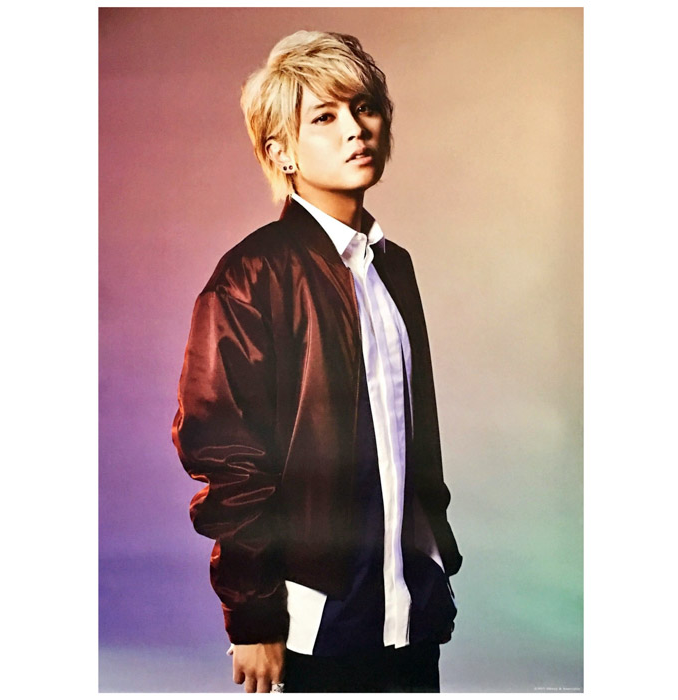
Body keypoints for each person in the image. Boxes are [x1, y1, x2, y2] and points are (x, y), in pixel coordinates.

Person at [172, 30, 463, 693]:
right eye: (325, 117)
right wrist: (252, 616)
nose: (356, 129)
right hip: (315, 619)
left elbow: (412, 441)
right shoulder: (251, 275)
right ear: (282, 151)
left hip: (411, 607)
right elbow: (229, 456)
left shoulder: (393, 267)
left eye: (365, 108)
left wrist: (436, 558)